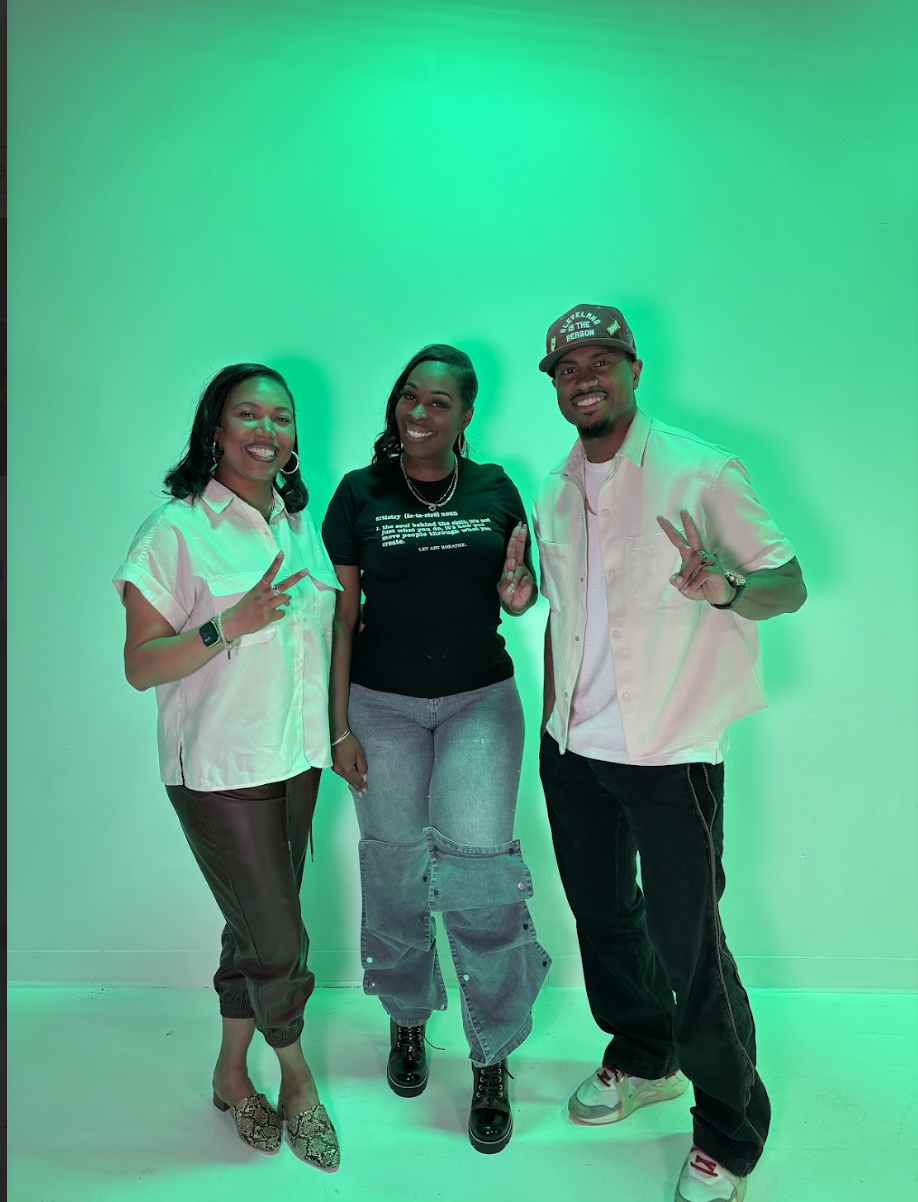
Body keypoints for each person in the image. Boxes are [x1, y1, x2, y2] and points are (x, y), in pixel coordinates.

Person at [532, 306, 807, 1202]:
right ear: (555, 384)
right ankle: (646, 1054)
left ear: (633, 371)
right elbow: (567, 618)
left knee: (689, 944)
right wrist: (553, 721)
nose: (585, 379)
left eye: (601, 361)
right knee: (604, 917)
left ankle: (730, 1131)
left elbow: (789, 585)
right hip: (574, 746)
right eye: (568, 368)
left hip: (671, 751)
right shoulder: (553, 488)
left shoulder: (702, 471)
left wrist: (727, 587)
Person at [322, 343, 550, 1154]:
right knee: (394, 869)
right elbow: (342, 617)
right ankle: (407, 1018)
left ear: (465, 415)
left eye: (438, 402)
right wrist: (338, 725)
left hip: (479, 702)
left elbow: (518, 590)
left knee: (481, 879)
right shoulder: (360, 493)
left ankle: (492, 1055)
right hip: (379, 707)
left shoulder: (495, 488)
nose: (418, 413)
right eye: (408, 397)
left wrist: (520, 594)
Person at [113, 364, 341, 1170]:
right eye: (249, 413)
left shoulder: (298, 524)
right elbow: (141, 665)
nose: (266, 430)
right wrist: (227, 625)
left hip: (296, 760)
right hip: (217, 769)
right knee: (277, 938)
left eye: (281, 417)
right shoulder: (174, 531)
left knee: (251, 926)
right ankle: (298, 1081)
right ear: (216, 428)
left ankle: (228, 1074)